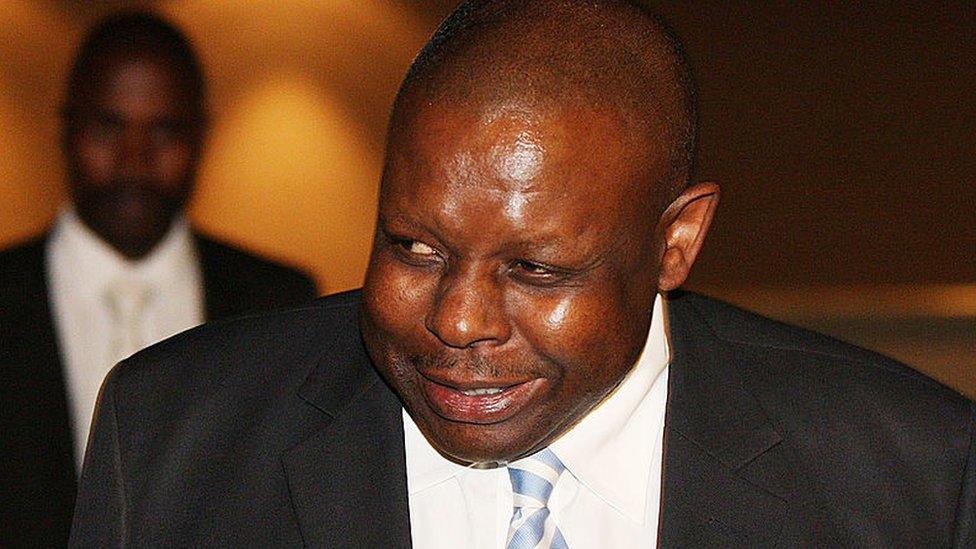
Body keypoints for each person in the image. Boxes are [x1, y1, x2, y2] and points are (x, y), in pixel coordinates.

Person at [70, 1, 974, 547]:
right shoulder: (171, 441)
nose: (458, 321)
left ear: (677, 241)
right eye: (414, 247)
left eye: (536, 269)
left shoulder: (910, 481)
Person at [0, 11, 317, 547]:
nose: (135, 159)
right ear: (66, 130)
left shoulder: (278, 300)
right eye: (108, 126)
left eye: (165, 131)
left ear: (201, 138)